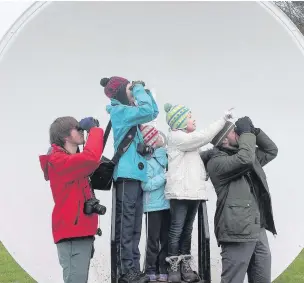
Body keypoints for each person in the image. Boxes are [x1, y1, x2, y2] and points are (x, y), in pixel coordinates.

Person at [200, 116, 278, 283]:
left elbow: (271, 151)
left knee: (262, 279)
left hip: (257, 228)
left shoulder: (246, 154)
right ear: (224, 139)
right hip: (237, 231)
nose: (240, 134)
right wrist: (247, 135)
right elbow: (245, 160)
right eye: (236, 132)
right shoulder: (217, 163)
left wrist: (253, 131)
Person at [164, 103, 233, 283]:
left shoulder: (190, 143)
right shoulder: (177, 137)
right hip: (180, 193)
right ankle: (173, 265)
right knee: (177, 229)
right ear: (179, 121)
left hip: (193, 192)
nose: (193, 119)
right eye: (189, 117)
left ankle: (185, 265)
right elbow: (204, 136)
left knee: (187, 230)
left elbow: (196, 159)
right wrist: (222, 119)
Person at [100, 76, 159, 283]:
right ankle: (126, 270)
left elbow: (153, 111)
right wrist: (140, 89)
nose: (133, 92)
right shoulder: (119, 112)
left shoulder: (129, 113)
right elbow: (145, 111)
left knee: (134, 226)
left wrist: (145, 92)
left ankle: (133, 267)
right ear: (119, 93)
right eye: (129, 89)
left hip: (136, 175)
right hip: (126, 175)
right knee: (126, 226)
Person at [39, 116, 104, 283]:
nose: (82, 131)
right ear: (65, 136)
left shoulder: (71, 160)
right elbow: (91, 158)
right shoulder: (58, 161)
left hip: (80, 232)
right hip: (72, 234)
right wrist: (94, 131)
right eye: (77, 128)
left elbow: (91, 159)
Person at [140, 125, 170, 282]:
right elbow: (146, 185)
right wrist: (164, 177)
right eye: (156, 136)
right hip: (153, 206)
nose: (160, 137)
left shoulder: (166, 157)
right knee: (153, 239)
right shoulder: (147, 161)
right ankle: (151, 269)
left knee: (165, 238)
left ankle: (163, 268)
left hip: (167, 204)